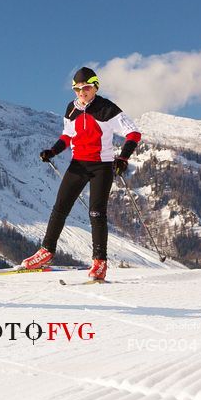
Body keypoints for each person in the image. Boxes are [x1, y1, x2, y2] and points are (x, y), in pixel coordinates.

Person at [20, 67, 141, 281]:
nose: (81, 93)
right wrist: (53, 151)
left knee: (96, 213)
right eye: (77, 89)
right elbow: (68, 135)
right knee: (60, 207)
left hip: (101, 166)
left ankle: (99, 262)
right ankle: (46, 251)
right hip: (78, 164)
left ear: (95, 86)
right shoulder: (71, 109)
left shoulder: (107, 108)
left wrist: (123, 157)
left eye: (85, 88)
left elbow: (133, 133)